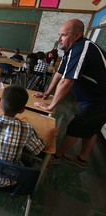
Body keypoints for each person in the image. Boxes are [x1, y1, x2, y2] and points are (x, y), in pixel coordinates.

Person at [33, 19, 106, 168]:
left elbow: (67, 81)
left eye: (64, 35)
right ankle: (82, 160)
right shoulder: (70, 50)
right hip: (92, 98)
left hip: (100, 100)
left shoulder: (82, 48)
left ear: (77, 35)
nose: (59, 39)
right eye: (59, 34)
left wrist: (51, 105)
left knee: (76, 126)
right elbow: (59, 74)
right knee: (91, 128)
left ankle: (56, 156)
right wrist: (47, 93)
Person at [0, 85, 50, 187]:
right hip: (10, 179)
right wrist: (51, 134)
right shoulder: (26, 129)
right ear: (22, 110)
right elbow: (39, 149)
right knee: (33, 161)